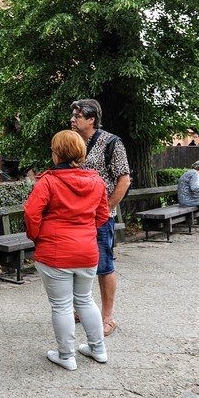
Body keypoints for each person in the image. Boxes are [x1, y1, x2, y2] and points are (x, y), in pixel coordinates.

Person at [25, 130, 110, 370]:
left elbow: (32, 214)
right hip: (87, 250)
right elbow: (102, 214)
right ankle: (98, 349)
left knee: (62, 305)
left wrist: (37, 237)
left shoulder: (48, 181)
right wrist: (84, 232)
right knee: (85, 300)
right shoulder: (96, 180)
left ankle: (66, 356)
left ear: (57, 153)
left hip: (55, 252)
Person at [70, 99, 130, 337]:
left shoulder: (111, 143)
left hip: (100, 217)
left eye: (77, 116)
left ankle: (107, 316)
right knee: (76, 264)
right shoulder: (72, 141)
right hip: (75, 215)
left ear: (91, 119)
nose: (72, 120)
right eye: (73, 116)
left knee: (104, 265)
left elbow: (123, 180)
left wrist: (106, 209)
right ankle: (80, 307)